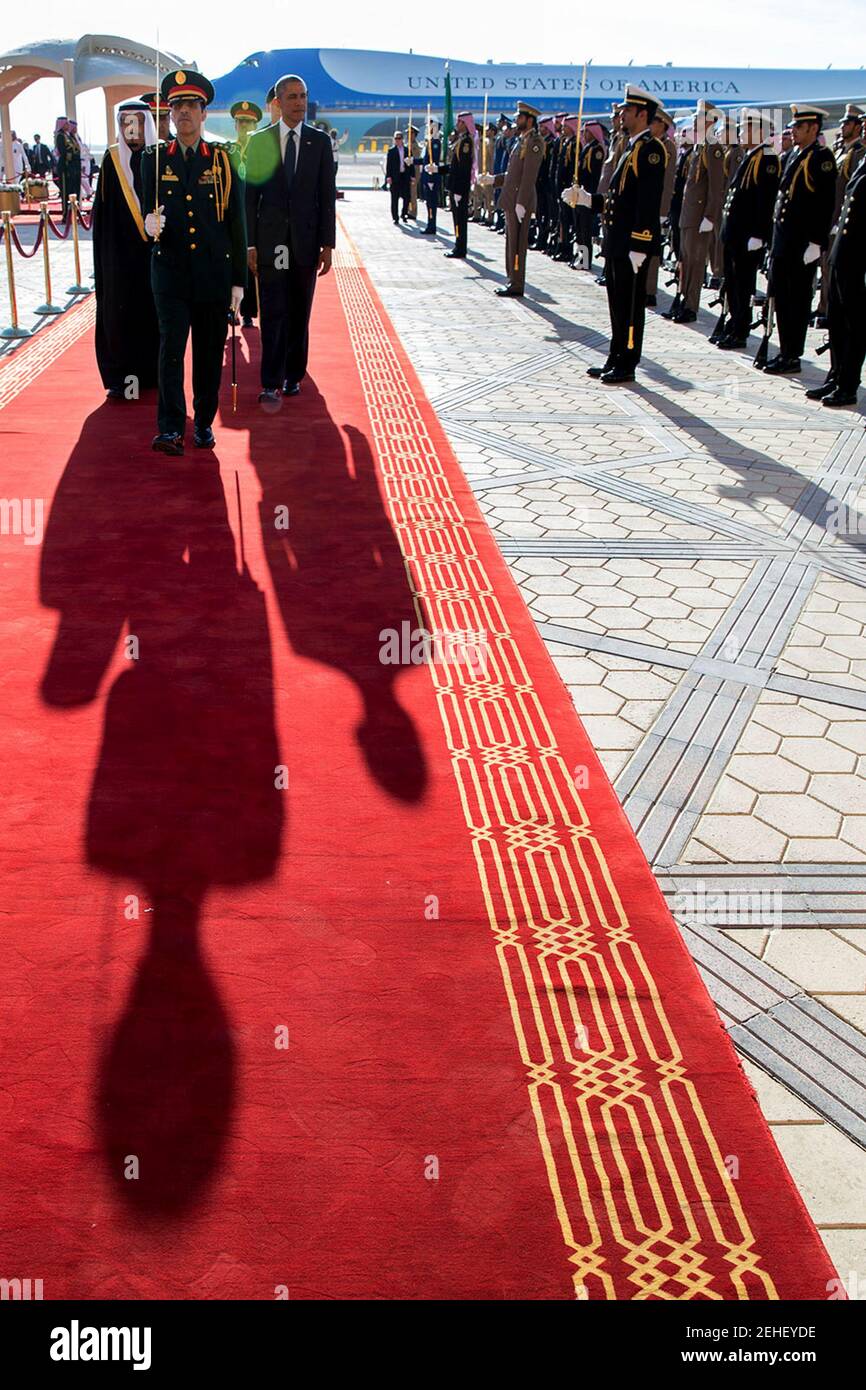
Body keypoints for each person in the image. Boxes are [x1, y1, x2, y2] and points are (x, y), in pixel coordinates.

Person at [140, 69, 247, 454]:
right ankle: (170, 428)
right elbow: (144, 210)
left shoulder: (223, 159)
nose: (184, 112)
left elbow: (237, 221)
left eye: (191, 105)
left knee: (206, 353)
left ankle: (202, 422)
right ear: (169, 115)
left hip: (212, 275)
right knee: (170, 350)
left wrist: (238, 283)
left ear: (204, 114)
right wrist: (147, 223)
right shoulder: (153, 160)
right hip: (169, 273)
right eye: (177, 106)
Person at [244, 72, 336, 402]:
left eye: (303, 96)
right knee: (272, 311)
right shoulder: (259, 141)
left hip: (305, 244)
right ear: (278, 102)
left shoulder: (319, 142)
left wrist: (328, 244)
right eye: (293, 97)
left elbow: (326, 196)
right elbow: (249, 196)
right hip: (271, 244)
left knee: (299, 312)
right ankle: (270, 379)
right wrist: (250, 243)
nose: (300, 103)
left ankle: (294, 374)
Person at [575, 84, 665, 383]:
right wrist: (590, 200)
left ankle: (628, 361)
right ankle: (615, 356)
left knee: (630, 306)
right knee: (617, 303)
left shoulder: (651, 150)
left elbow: (647, 202)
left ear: (642, 113)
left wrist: (641, 243)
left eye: (627, 110)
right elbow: (619, 199)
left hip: (632, 244)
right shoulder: (630, 147)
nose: (621, 114)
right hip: (618, 240)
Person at [93, 101, 160, 401]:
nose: (131, 129)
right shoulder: (111, 159)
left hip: (154, 255)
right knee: (120, 314)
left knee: (153, 315)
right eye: (125, 123)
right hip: (119, 257)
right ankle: (122, 379)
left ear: (146, 124)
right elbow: (102, 215)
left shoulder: (160, 156)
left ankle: (151, 375)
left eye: (137, 122)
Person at [764, 103, 836, 375]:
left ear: (813, 128)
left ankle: (792, 354)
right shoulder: (797, 154)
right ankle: (785, 351)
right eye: (792, 126)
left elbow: (825, 202)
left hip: (802, 244)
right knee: (783, 299)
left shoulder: (821, 157)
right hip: (785, 242)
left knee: (796, 301)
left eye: (798, 126)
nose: (792, 131)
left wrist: (816, 242)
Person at [717, 109, 779, 350]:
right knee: (733, 283)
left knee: (743, 284)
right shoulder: (750, 156)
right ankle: (734, 325)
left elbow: (765, 199)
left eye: (746, 129)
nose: (741, 133)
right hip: (735, 233)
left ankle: (740, 330)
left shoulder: (767, 157)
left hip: (747, 236)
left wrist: (759, 234)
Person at [806, 159, 866, 407]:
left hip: (859, 257)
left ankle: (848, 385)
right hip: (844, 255)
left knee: (855, 325)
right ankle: (837, 375)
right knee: (838, 321)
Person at [483, 101, 545, 297]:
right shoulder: (521, 140)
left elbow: (529, 175)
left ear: (529, 119)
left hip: (520, 200)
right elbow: (513, 173)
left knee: (518, 244)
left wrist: (521, 202)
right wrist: (494, 180)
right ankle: (512, 279)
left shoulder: (535, 142)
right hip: (512, 198)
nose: (516, 120)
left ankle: (517, 283)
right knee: (511, 242)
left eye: (519, 117)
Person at [674, 99, 725, 323]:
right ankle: (682, 299)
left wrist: (710, 216)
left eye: (700, 117)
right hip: (689, 215)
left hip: (699, 216)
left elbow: (716, 186)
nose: (695, 120)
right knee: (685, 259)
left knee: (695, 262)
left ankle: (690, 306)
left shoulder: (713, 148)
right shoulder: (699, 147)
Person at [228, 100, 263, 326]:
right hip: (230, 216)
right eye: (241, 122)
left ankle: (249, 312)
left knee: (250, 265)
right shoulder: (227, 151)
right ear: (235, 125)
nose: (244, 126)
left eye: (249, 122)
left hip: (252, 217)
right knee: (231, 265)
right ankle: (231, 309)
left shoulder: (261, 151)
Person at [645, 108, 676, 305]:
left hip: (657, 206)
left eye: (654, 122)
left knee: (653, 251)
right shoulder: (650, 144)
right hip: (645, 203)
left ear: (662, 125)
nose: (650, 125)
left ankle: (649, 290)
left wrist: (663, 211)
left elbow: (667, 181)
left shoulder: (668, 147)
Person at [445, 112, 474, 259]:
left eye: (460, 122)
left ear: (465, 124)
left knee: (460, 220)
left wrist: (459, 190)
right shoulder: (460, 140)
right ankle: (458, 245)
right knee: (457, 218)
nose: (457, 125)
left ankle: (460, 248)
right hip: (455, 186)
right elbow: (453, 166)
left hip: (459, 188)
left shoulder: (466, 142)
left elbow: (463, 168)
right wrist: (438, 169)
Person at [419, 120, 442, 233]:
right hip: (427, 177)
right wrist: (413, 161)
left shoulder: (435, 142)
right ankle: (430, 223)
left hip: (431, 178)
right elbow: (425, 161)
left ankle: (431, 225)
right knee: (429, 203)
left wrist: (431, 177)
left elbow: (434, 161)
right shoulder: (430, 142)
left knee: (432, 203)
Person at [55, 117, 81, 217]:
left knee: (73, 190)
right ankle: (66, 214)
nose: (67, 125)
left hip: (73, 166)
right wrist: (73, 157)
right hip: (65, 167)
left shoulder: (69, 136)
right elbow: (63, 152)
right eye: (65, 124)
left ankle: (74, 213)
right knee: (66, 191)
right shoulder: (60, 136)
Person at [385, 130, 411, 224]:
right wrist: (388, 177)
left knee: (407, 197)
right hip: (395, 177)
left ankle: (404, 214)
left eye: (399, 138)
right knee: (394, 198)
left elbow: (410, 164)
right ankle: (395, 217)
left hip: (404, 176)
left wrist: (412, 175)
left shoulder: (407, 150)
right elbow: (388, 165)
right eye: (396, 138)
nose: (397, 140)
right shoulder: (391, 151)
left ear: (402, 139)